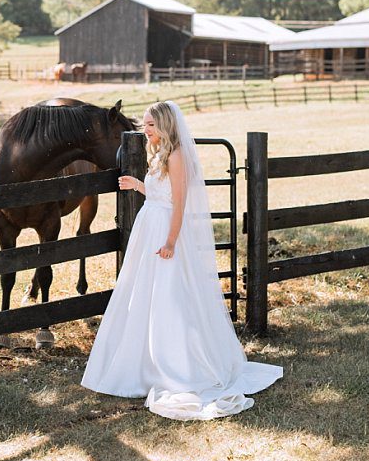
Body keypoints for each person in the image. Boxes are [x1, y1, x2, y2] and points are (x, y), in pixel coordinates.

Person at [82, 101, 281, 419]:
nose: (145, 130)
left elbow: (180, 204)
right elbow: (161, 195)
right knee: (145, 293)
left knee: (169, 295)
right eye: (144, 125)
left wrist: (171, 241)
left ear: (164, 125)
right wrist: (138, 186)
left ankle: (176, 364)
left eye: (150, 125)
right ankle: (141, 362)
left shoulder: (176, 156)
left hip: (166, 231)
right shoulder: (159, 152)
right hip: (151, 226)